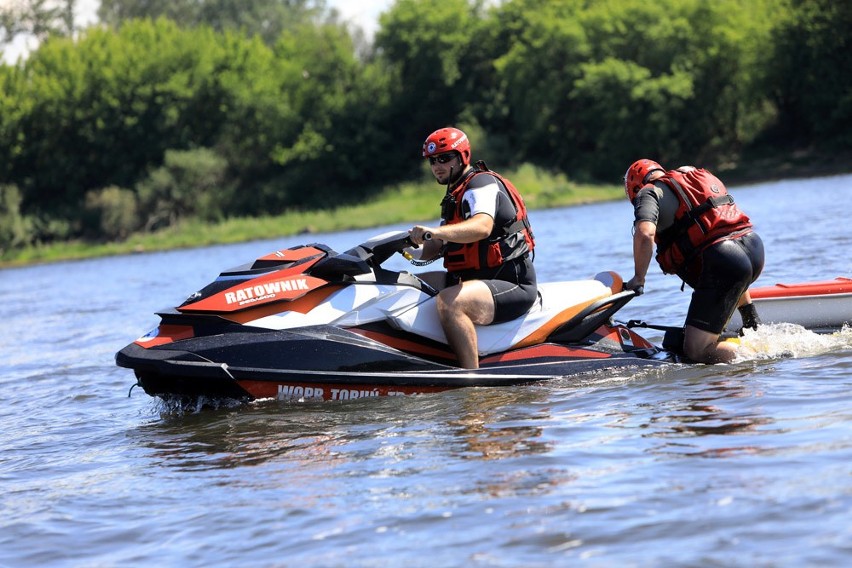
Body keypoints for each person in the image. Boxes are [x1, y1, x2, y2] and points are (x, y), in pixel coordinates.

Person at [407, 127, 537, 369]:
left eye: (445, 158)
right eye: (433, 160)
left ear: (462, 156)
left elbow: (482, 227)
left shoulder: (481, 184)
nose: (437, 165)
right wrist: (405, 247)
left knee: (450, 302)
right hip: (472, 280)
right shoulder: (454, 195)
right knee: (408, 286)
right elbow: (435, 247)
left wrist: (434, 231)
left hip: (511, 283)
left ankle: (471, 380)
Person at [622, 159, 764, 364]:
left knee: (696, 350)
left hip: (725, 259)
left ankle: (763, 358)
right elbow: (729, 252)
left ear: (634, 188)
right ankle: (754, 331)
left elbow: (645, 234)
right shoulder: (692, 177)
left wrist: (639, 278)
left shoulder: (648, 192)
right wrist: (749, 314)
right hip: (753, 247)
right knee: (723, 271)